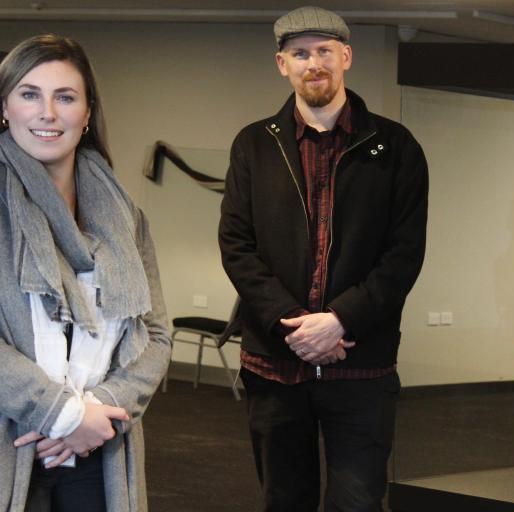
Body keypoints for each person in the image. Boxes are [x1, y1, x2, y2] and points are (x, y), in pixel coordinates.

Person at [219, 6, 429, 511]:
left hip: (361, 368)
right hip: (274, 369)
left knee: (356, 502)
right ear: (281, 64)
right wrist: (297, 325)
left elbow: (403, 255)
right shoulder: (253, 145)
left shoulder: (396, 147)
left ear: (346, 57)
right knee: (283, 501)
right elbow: (237, 246)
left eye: (324, 51)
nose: (313, 63)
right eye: (300, 53)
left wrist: (338, 321)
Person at [0, 34, 171, 511]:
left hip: (99, 446)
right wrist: (63, 414)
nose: (47, 113)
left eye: (66, 97)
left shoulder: (126, 217)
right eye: (29, 94)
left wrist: (98, 414)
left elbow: (155, 334)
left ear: (88, 112)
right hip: (14, 441)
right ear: (5, 108)